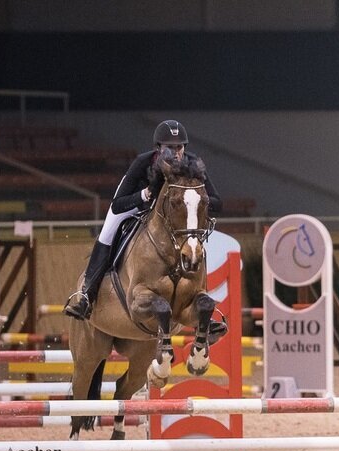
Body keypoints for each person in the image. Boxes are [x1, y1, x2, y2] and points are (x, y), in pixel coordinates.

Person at [65, 119, 223, 320]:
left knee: (194, 245)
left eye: (179, 147)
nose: (176, 153)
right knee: (107, 233)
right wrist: (144, 194)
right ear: (158, 148)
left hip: (171, 216)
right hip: (135, 205)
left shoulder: (193, 165)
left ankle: (203, 302)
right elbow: (118, 204)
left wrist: (199, 200)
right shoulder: (143, 162)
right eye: (169, 147)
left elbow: (217, 202)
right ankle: (86, 295)